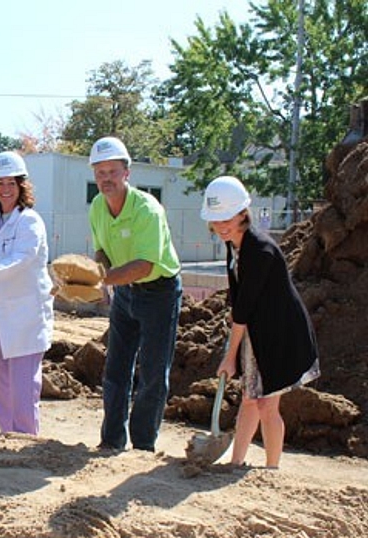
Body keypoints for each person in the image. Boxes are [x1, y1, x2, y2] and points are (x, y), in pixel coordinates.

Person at [201, 176, 319, 469]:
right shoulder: (235, 244)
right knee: (250, 398)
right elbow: (240, 302)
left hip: (281, 334)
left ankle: (271, 469)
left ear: (243, 213)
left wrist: (230, 358)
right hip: (258, 330)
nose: (221, 225)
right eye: (216, 220)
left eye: (227, 217)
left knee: (267, 403)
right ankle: (236, 461)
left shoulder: (259, 250)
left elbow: (244, 309)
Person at [88, 136, 182, 452]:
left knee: (154, 372)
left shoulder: (147, 211)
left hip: (159, 292)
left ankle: (143, 445)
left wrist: (99, 280)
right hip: (126, 293)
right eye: (100, 172)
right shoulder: (98, 207)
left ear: (127, 173)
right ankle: (111, 439)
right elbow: (101, 251)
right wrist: (99, 277)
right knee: (116, 367)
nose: (106, 179)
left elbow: (143, 266)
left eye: (112, 171)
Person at [0, 151, 54, 436]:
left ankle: (26, 437)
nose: (5, 189)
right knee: (1, 379)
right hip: (3, 311)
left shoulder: (30, 221)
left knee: (22, 383)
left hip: (27, 312)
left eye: (11, 183)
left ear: (22, 187)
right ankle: (7, 433)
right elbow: (0, 253)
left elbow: (21, 259)